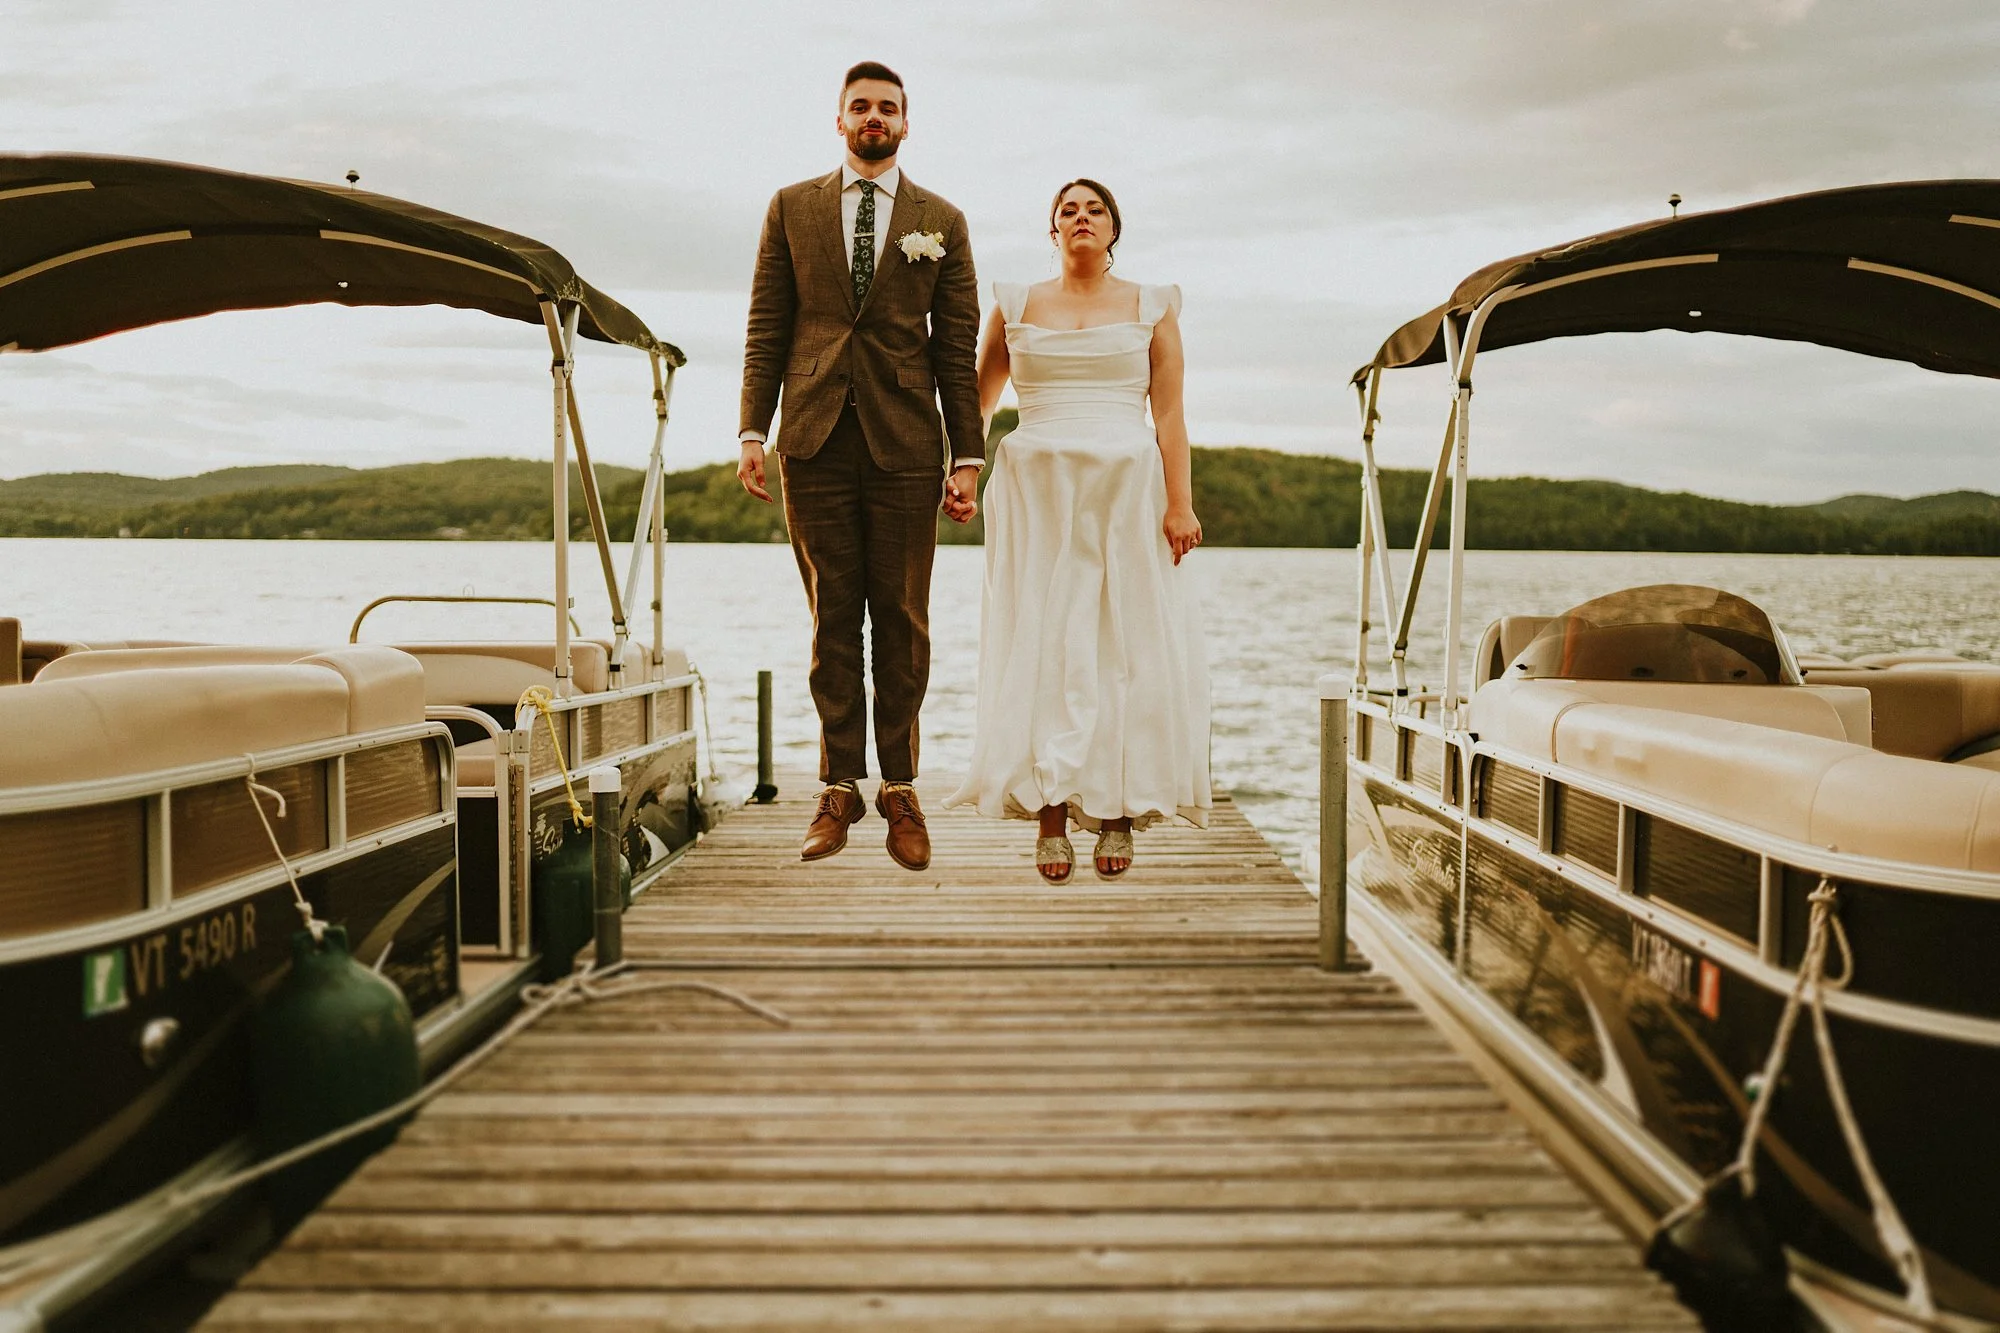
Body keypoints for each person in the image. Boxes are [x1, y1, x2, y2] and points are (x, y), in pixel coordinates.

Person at [736, 60, 985, 872]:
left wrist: (969, 455)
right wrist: (751, 429)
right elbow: (767, 323)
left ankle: (901, 791)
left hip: (908, 443)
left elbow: (955, 347)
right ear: (838, 121)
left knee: (904, 622)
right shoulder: (790, 207)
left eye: (887, 108)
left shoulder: (940, 219)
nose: (873, 117)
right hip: (810, 438)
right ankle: (839, 786)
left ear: (906, 124)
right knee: (832, 620)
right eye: (860, 107)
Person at [947, 179, 1211, 882]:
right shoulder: (1015, 304)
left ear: (1113, 228)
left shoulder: (1153, 306)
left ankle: (1117, 810)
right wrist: (963, 473)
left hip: (1126, 486)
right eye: (1068, 210)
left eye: (1094, 209)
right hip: (1036, 486)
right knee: (1042, 638)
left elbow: (1170, 415)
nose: (1081, 218)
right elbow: (979, 398)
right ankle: (1051, 813)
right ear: (1053, 230)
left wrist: (1180, 503)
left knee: (1119, 641)